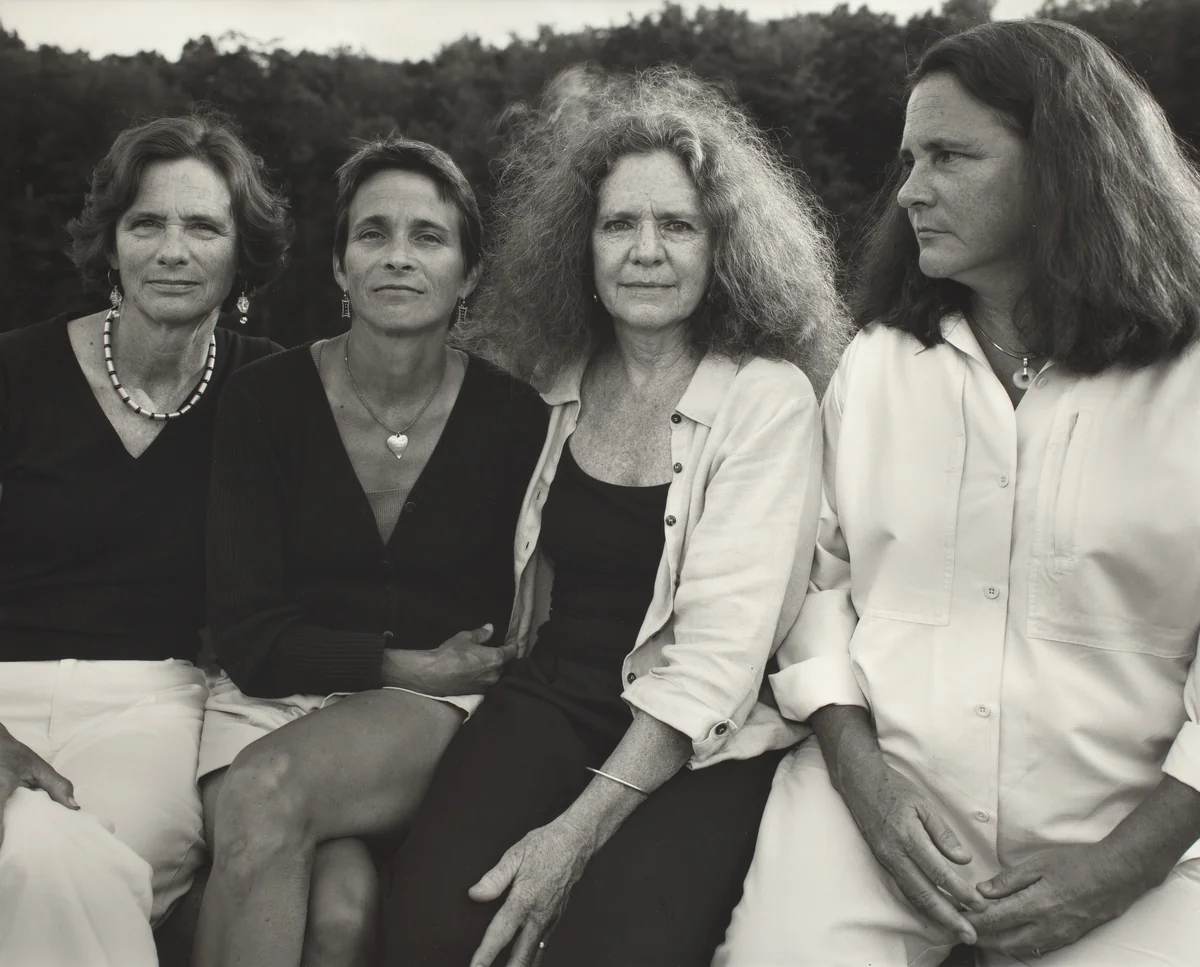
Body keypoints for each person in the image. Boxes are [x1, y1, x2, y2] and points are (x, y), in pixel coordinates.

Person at [717, 19, 1200, 967]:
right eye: (908, 157)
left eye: (948, 155)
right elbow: (818, 587)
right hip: (877, 809)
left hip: (1138, 836)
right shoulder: (878, 366)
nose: (910, 190)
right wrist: (867, 790)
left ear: (1066, 164)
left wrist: (1121, 866)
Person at [376, 66, 849, 967]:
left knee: (607, 950)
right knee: (434, 932)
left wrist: (572, 838)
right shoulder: (545, 381)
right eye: (619, 223)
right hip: (549, 698)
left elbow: (716, 661)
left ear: (724, 249)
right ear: (580, 246)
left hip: (704, 739)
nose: (646, 249)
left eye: (678, 225)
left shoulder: (767, 400)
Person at [193, 136, 548, 967]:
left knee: (267, 791)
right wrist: (407, 662)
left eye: (428, 237)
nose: (398, 257)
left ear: (467, 275)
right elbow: (245, 630)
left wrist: (426, 681)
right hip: (266, 698)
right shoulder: (263, 404)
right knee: (339, 916)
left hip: (425, 716)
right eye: (373, 234)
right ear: (338, 265)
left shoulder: (514, 419)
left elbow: (530, 613)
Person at [0, 112, 289, 967]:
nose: (173, 248)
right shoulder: (11, 373)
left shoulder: (272, 392)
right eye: (147, 222)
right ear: (112, 245)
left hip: (150, 710)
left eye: (203, 225)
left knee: (47, 858)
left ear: (241, 253)